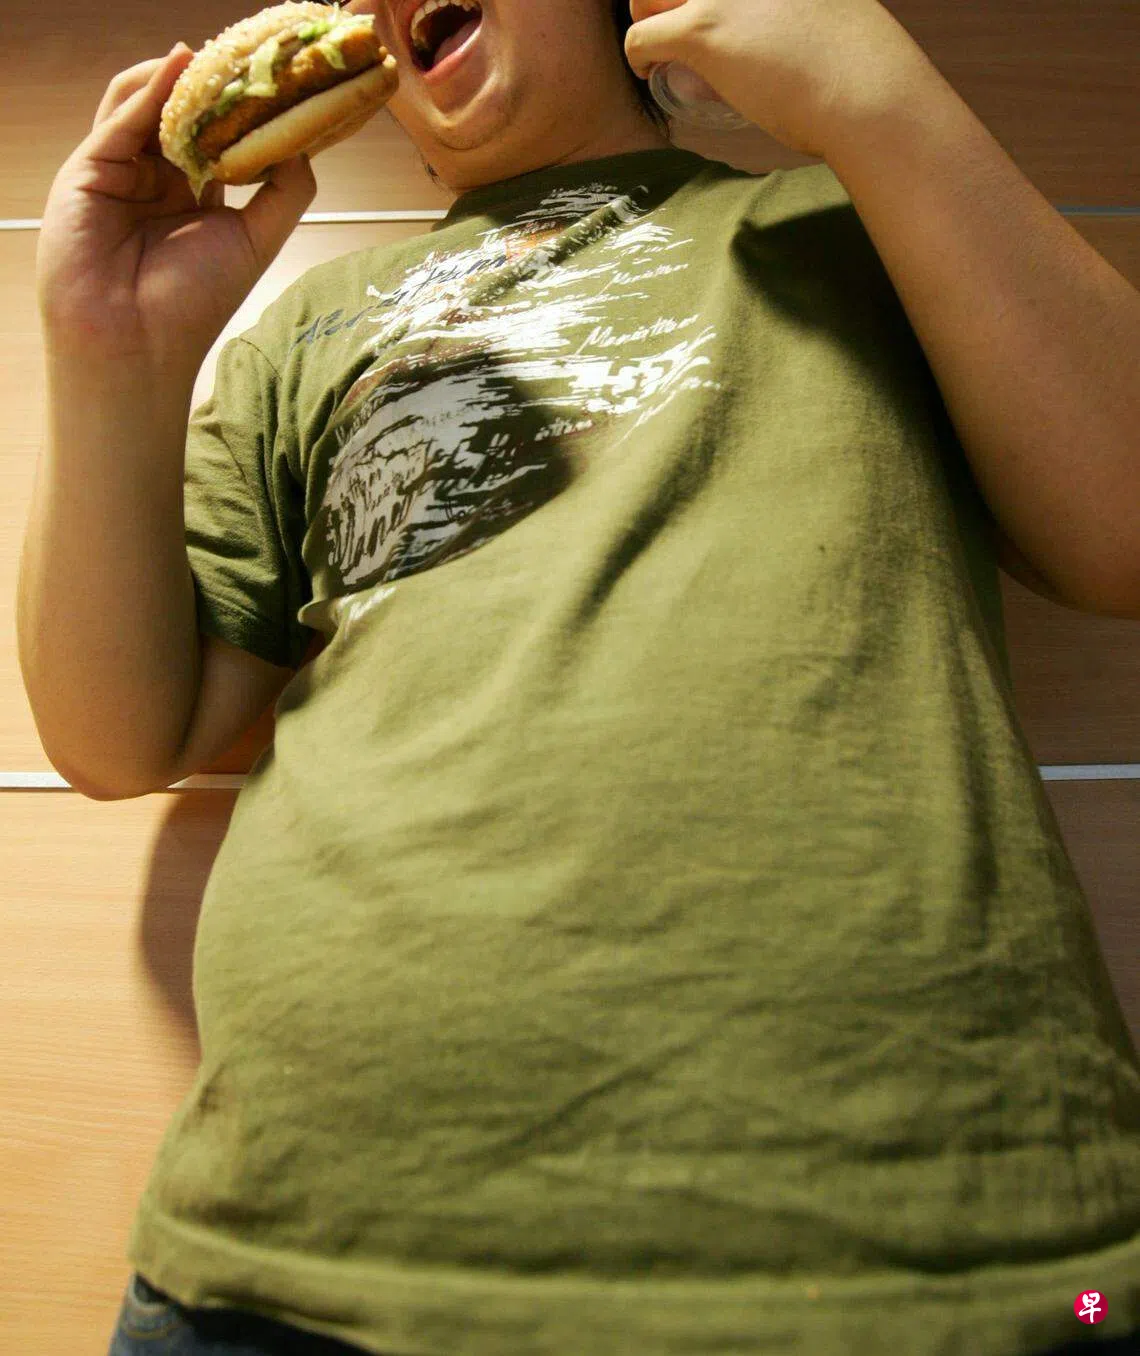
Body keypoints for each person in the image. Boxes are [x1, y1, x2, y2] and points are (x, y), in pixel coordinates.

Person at [18, 1, 1140, 1354]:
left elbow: (1122, 527)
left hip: (958, 1253)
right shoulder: (308, 327)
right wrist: (107, 351)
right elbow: (118, 737)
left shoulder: (859, 216)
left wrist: (874, 93)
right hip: (292, 1263)